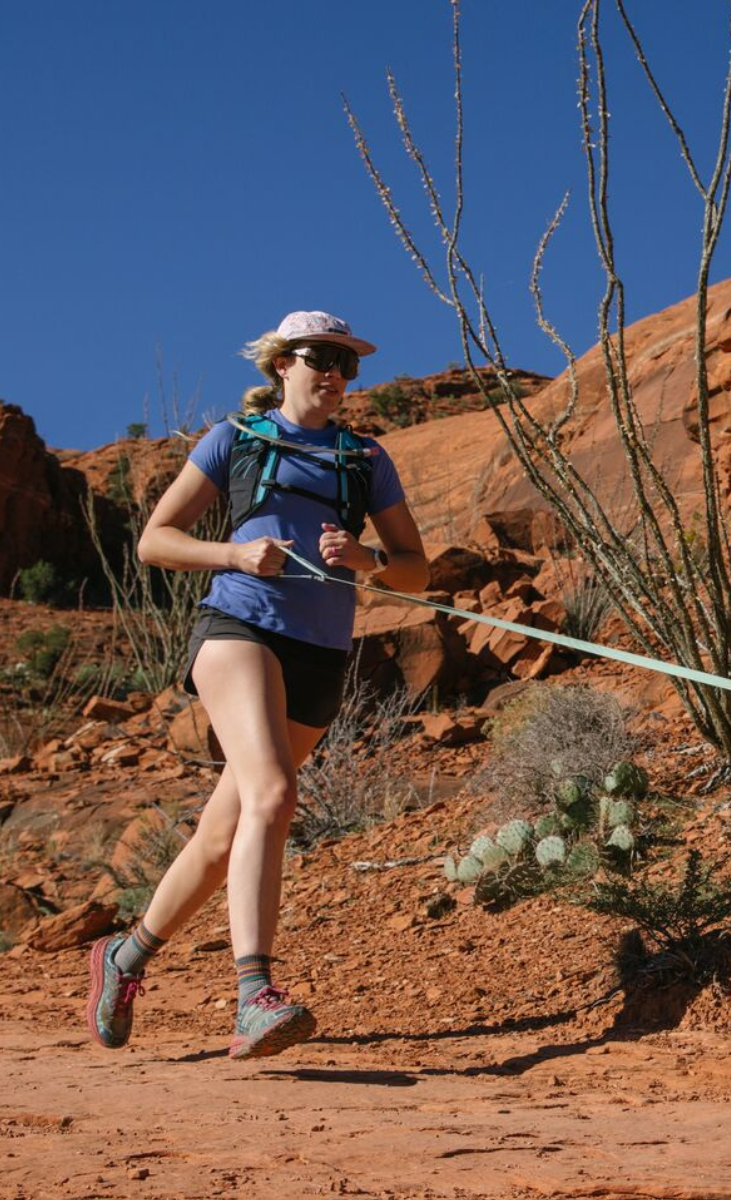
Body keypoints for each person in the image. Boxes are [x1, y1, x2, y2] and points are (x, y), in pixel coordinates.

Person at [85, 311, 429, 1059]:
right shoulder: (234, 441)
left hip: (321, 653)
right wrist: (236, 557)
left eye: (345, 360)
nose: (333, 370)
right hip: (238, 630)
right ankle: (254, 994)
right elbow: (155, 542)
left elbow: (415, 568)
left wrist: (366, 559)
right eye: (319, 356)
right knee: (273, 795)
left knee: (222, 834)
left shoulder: (364, 457)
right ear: (282, 364)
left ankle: (125, 956)